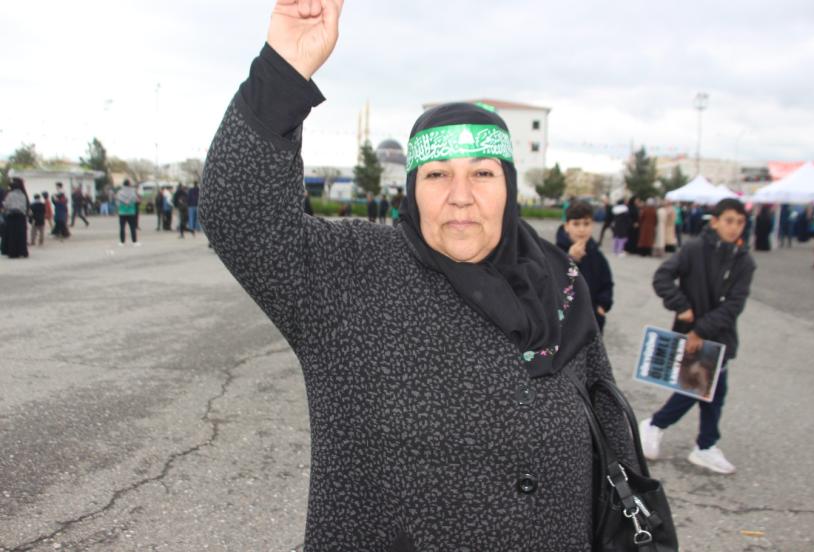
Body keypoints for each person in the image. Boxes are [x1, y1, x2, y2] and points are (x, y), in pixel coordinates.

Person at [199, 3, 639, 548]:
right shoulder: (351, 272)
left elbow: (606, 418)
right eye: (436, 175)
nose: (461, 196)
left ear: (509, 186)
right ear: (412, 188)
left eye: (482, 173)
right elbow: (239, 215)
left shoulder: (559, 279)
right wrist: (283, 69)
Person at [640, 198, 755, 475]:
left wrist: (700, 330)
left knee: (711, 390)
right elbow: (662, 277)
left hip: (719, 335)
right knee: (697, 388)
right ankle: (658, 426)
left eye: (740, 222)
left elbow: (734, 305)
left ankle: (702, 444)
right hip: (691, 335)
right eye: (729, 221)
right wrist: (682, 307)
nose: (734, 227)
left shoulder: (744, 261)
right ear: (714, 221)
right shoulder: (694, 249)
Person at [555, 201, 614, 332]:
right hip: (565, 322)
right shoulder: (556, 253)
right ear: (567, 226)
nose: (582, 229)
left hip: (592, 320)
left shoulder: (596, 254)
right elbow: (553, 284)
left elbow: (607, 282)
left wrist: (602, 306)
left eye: (586, 224)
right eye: (576, 224)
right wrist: (571, 260)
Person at [1, 177, 30, 258]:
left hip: (11, 216)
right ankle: (22, 251)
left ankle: (12, 252)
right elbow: (26, 206)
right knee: (21, 235)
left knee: (12, 235)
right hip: (21, 216)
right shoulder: (23, 194)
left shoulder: (9, 194)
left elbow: (6, 205)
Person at [117, 179, 140, 246]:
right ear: (129, 184)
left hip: (122, 212)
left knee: (122, 227)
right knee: (132, 227)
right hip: (131, 212)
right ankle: (134, 241)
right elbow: (136, 200)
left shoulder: (120, 192)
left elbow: (118, 202)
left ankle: (122, 242)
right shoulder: (132, 192)